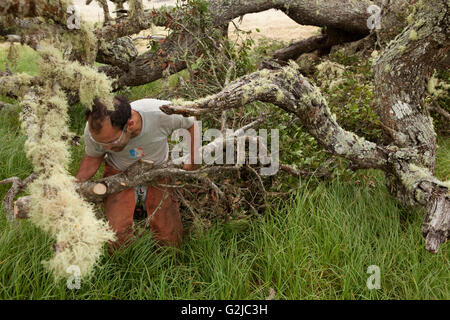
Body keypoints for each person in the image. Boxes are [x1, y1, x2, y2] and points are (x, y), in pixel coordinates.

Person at [75, 95, 199, 253]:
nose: (106, 148)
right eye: (101, 144)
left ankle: (172, 259)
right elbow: (93, 158)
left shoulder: (160, 113)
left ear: (130, 124)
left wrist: (193, 160)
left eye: (111, 142)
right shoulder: (95, 130)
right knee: (117, 230)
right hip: (119, 173)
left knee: (167, 226)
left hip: (158, 169)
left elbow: (191, 121)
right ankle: (123, 263)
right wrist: (76, 186)